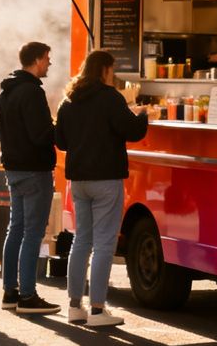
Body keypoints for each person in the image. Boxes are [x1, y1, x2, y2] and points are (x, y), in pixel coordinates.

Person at [55, 50, 148, 327]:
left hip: (79, 181)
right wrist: (142, 115)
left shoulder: (68, 101)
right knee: (105, 243)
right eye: (112, 69)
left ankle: (74, 306)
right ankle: (97, 309)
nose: (114, 73)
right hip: (106, 179)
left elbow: (60, 141)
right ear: (105, 70)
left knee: (82, 240)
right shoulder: (110, 98)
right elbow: (132, 131)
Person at [0, 42, 61, 315]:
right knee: (33, 232)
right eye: (47, 58)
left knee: (16, 229)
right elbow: (41, 135)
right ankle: (28, 295)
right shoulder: (33, 92)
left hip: (13, 169)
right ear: (35, 60)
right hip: (35, 170)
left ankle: (10, 291)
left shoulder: (6, 92)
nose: (49, 63)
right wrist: (57, 128)